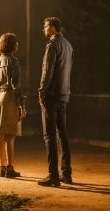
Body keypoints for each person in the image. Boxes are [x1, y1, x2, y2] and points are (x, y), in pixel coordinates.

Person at [37, 17, 74, 187]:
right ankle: (66, 173)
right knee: (63, 133)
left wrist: (42, 92)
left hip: (52, 94)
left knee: (49, 134)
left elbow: (47, 70)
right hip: (64, 93)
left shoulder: (52, 45)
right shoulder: (68, 45)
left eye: (45, 26)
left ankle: (53, 175)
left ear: (52, 28)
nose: (43, 29)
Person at [0, 33, 27, 178]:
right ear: (12, 45)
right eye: (16, 43)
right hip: (10, 98)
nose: (17, 45)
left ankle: (2, 167)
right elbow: (16, 85)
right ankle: (10, 168)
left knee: (1, 136)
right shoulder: (14, 61)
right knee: (11, 136)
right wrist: (22, 104)